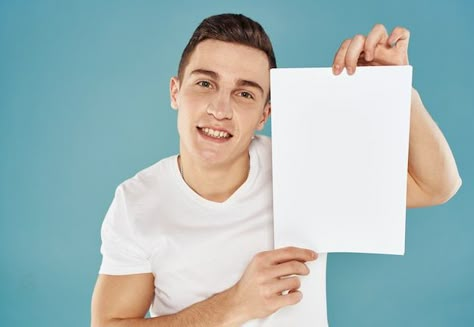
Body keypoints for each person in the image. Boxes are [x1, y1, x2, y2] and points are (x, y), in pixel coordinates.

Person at [91, 13, 461, 327]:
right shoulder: (136, 201)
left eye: (245, 93)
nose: (220, 109)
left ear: (265, 115)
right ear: (175, 92)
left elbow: (435, 186)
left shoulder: (302, 166)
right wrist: (233, 304)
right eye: (205, 83)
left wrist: (399, 90)